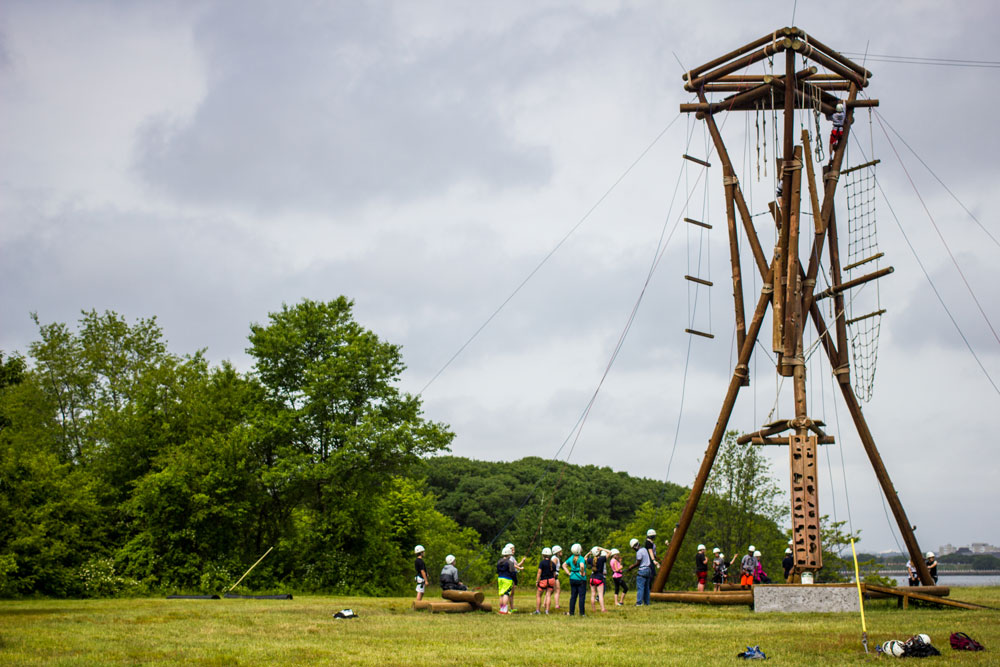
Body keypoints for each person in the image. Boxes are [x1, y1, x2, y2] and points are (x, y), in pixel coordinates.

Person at [562, 543, 588, 616]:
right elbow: (582, 566)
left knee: (573, 596)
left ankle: (571, 612)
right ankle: (582, 613)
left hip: (572, 578)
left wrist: (569, 573)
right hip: (581, 579)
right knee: (581, 596)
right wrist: (582, 572)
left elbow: (564, 565)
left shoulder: (571, 557)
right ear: (579, 550)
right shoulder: (581, 558)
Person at [627, 537, 653, 605]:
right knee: (647, 588)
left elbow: (638, 563)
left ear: (634, 547)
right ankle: (647, 603)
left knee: (640, 587)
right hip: (648, 569)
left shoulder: (638, 552)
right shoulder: (644, 549)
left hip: (642, 570)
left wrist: (631, 567)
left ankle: (639, 603)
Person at [535, 547, 556, 614]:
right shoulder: (553, 563)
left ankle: (538, 610)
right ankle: (547, 611)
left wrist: (537, 581)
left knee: (538, 595)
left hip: (543, 580)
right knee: (548, 595)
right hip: (551, 580)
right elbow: (554, 574)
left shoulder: (542, 563)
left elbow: (539, 573)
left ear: (543, 555)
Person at [497, 545, 515, 614]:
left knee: (501, 594)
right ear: (509, 555)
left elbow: (497, 570)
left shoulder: (499, 561)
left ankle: (501, 609)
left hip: (500, 579)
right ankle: (505, 610)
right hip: (507, 579)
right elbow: (512, 572)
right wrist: (515, 581)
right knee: (506, 594)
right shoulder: (509, 562)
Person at [589, 547, 609, 612]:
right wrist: (602, 549)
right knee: (600, 594)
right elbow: (610, 552)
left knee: (593, 594)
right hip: (599, 578)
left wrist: (589, 553)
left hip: (592, 578)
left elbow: (584, 558)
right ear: (599, 553)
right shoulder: (601, 559)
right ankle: (603, 609)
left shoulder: (591, 559)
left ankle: (593, 609)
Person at [551, 545, 563, 609]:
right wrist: (554, 576)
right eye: (560, 551)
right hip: (554, 576)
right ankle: (557, 605)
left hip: (554, 575)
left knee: (551, 590)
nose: (561, 552)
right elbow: (553, 567)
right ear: (557, 552)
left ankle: (544, 603)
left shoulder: (555, 558)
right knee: (557, 590)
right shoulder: (555, 558)